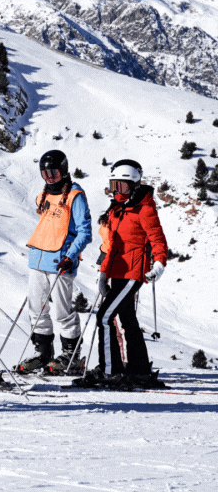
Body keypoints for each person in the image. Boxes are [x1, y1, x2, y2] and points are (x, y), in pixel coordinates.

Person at [75, 159, 168, 390]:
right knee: (127, 320)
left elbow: (158, 240)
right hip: (117, 272)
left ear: (135, 185)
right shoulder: (117, 210)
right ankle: (139, 369)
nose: (117, 191)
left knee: (104, 316)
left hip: (133, 273)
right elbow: (113, 246)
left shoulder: (144, 209)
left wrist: (158, 265)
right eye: (114, 185)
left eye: (122, 187)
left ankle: (110, 371)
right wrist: (104, 274)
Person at [18, 150, 92, 373]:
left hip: (61, 261)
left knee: (61, 311)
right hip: (38, 257)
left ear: (64, 170)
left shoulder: (74, 195)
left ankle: (72, 355)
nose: (50, 177)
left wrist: (71, 256)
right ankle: (43, 353)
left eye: (54, 172)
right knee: (36, 309)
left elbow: (84, 231)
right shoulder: (45, 195)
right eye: (45, 173)